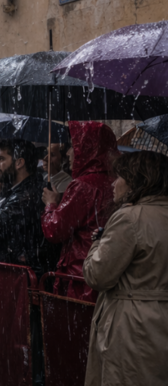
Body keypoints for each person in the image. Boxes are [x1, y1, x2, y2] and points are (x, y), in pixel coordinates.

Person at [83, 150, 168, 385]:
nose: (113, 184)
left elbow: (97, 275)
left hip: (132, 326)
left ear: (136, 180)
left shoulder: (129, 218)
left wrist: (97, 243)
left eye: (119, 177)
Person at [42, 122, 116, 301]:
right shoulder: (114, 181)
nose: (68, 153)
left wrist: (51, 205)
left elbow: (54, 230)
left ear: (87, 149)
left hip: (80, 276)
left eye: (74, 147)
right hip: (106, 271)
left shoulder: (82, 185)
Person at [0, 139, 58, 274]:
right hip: (13, 272)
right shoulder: (18, 189)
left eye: (2, 159)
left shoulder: (28, 194)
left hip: (21, 275)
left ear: (19, 163)